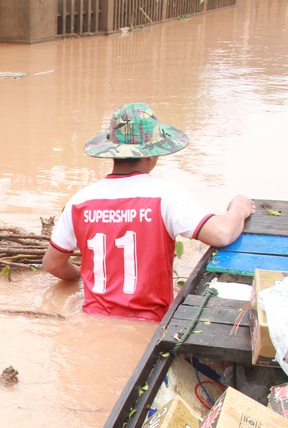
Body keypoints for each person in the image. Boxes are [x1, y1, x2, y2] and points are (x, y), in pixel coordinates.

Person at [43, 102, 256, 322]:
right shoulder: (166, 195)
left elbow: (52, 264)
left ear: (112, 153)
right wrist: (239, 207)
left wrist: (83, 276)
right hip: (150, 324)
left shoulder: (80, 201)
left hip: (93, 320)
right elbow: (222, 234)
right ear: (152, 155)